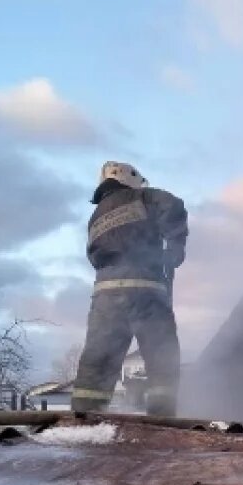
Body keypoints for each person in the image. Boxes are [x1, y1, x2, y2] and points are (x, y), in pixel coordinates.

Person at [72, 161, 187, 417]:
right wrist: (175, 246)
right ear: (130, 178)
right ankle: (163, 418)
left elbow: (95, 258)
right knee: (161, 356)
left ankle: (84, 420)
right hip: (146, 291)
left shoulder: (96, 216)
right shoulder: (144, 196)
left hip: (105, 296)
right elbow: (174, 205)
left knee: (98, 362)